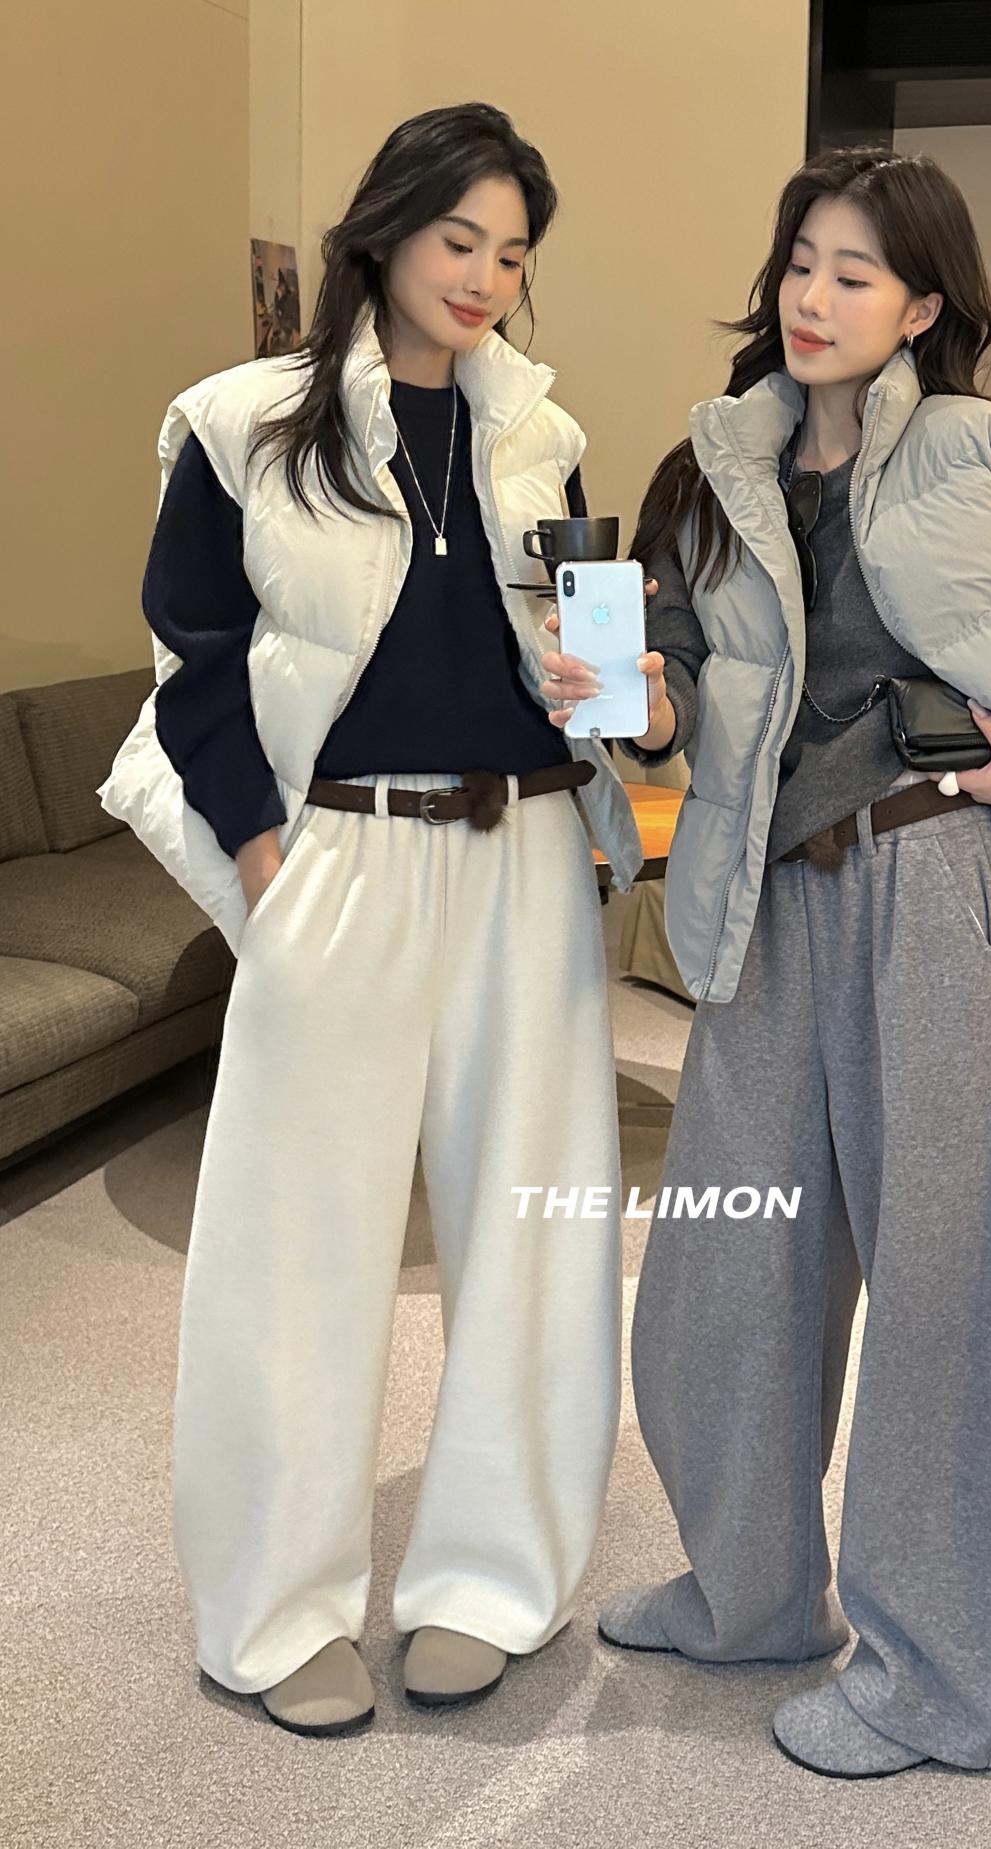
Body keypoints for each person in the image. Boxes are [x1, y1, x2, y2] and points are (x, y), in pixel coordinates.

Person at [542, 145, 991, 1779]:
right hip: (764, 895)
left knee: (942, 1281)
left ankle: (937, 1679)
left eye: (854, 272)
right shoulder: (711, 467)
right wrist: (630, 695)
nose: (813, 295)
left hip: (925, 876)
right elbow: (676, 682)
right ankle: (750, 1595)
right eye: (799, 260)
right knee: (722, 1270)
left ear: (920, 306)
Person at [100, 102, 642, 1737]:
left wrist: (625, 687)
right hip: (337, 851)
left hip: (527, 854)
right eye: (460, 238)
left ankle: (491, 1576)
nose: (484, 277)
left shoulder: (542, 430)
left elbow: (599, 662)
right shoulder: (243, 422)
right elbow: (194, 656)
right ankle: (275, 1606)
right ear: (386, 230)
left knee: (531, 1228)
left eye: (513, 254)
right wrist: (263, 852)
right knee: (293, 1239)